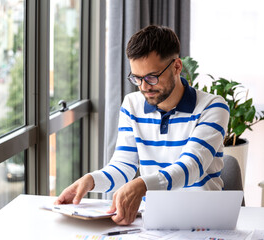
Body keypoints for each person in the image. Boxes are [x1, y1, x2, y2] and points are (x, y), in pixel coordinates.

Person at [55, 25, 229, 225]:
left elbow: (192, 167)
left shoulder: (213, 106)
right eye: (137, 78)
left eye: (152, 77)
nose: (144, 87)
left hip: (206, 221)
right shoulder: (132, 104)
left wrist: (142, 184)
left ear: (177, 67)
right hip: (154, 219)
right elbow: (124, 166)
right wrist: (90, 181)